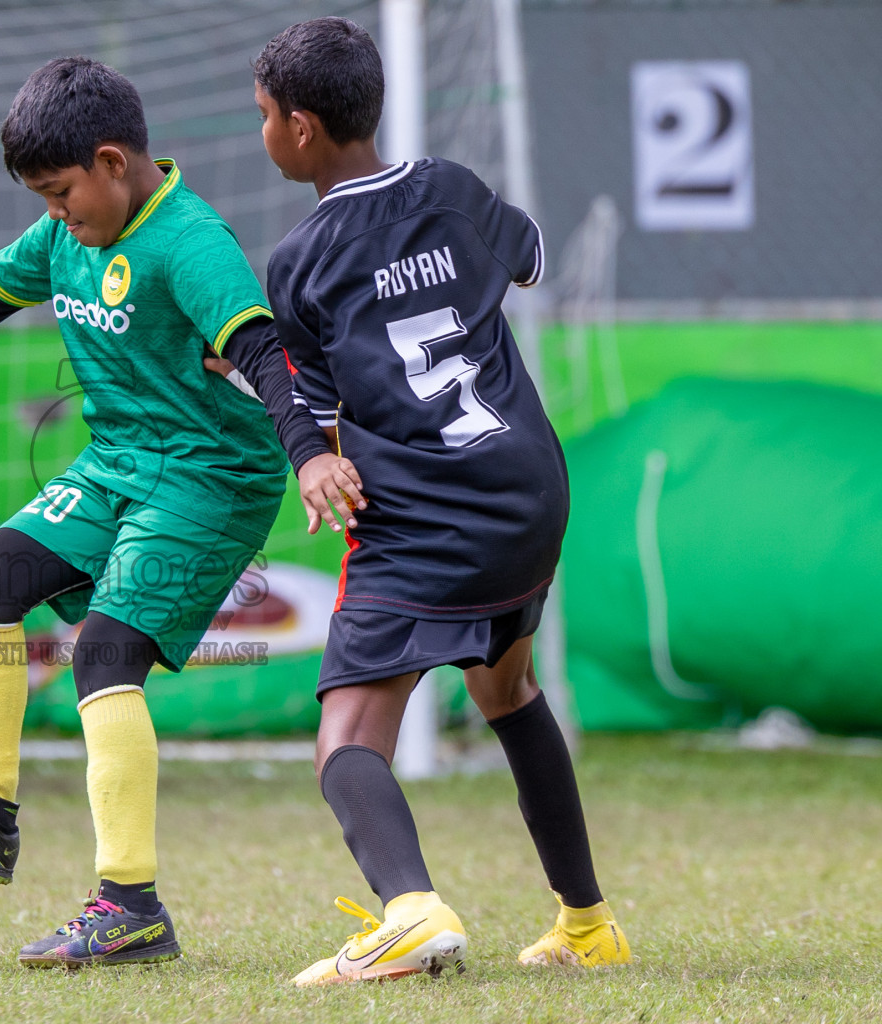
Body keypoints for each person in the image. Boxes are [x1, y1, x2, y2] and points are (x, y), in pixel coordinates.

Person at [0, 56, 361, 967]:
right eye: (44, 199)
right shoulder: (65, 234)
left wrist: (312, 457)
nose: (55, 214)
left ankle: (129, 906)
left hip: (209, 480)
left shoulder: (189, 242)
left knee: (103, 653)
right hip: (119, 465)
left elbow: (259, 353)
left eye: (62, 194)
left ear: (112, 160)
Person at [250, 18, 631, 985]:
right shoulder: (455, 191)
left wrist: (299, 440)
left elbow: (328, 416)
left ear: (298, 128)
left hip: (430, 515)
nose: (262, 133)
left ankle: (412, 910)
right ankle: (587, 925)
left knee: (345, 737)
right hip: (529, 492)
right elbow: (533, 257)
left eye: (262, 117)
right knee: (507, 691)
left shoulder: (299, 264)